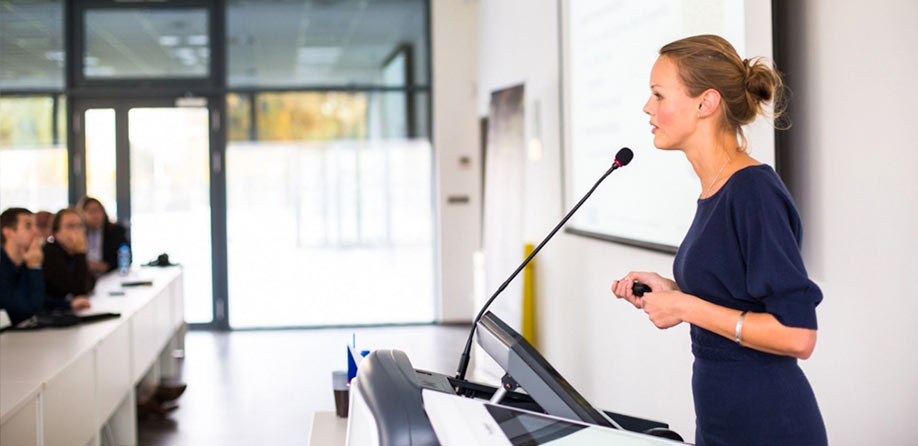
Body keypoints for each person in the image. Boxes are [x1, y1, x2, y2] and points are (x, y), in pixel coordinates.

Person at [610, 35, 826, 445]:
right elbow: (736, 295)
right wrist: (671, 290)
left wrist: (685, 305)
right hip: (721, 420)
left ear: (705, 104)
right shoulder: (716, 187)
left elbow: (798, 335)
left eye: (658, 95)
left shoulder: (753, 191)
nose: (647, 108)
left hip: (768, 425)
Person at [0, 208, 46, 325]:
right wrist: (35, 267)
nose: (36, 232)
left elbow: (36, 296)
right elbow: (28, 310)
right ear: (8, 232)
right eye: (28, 226)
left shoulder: (23, 261)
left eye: (36, 226)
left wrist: (68, 304)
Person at [42, 209, 92, 311]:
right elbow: (79, 291)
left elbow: (91, 281)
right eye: (70, 226)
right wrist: (80, 253)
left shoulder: (70, 253)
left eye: (80, 225)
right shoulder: (50, 253)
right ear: (56, 233)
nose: (77, 230)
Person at [80, 197, 129, 276]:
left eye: (97, 210)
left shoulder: (116, 231)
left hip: (110, 275)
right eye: (90, 211)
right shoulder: (78, 232)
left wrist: (104, 266)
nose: (95, 215)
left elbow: (125, 258)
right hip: (84, 276)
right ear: (82, 213)